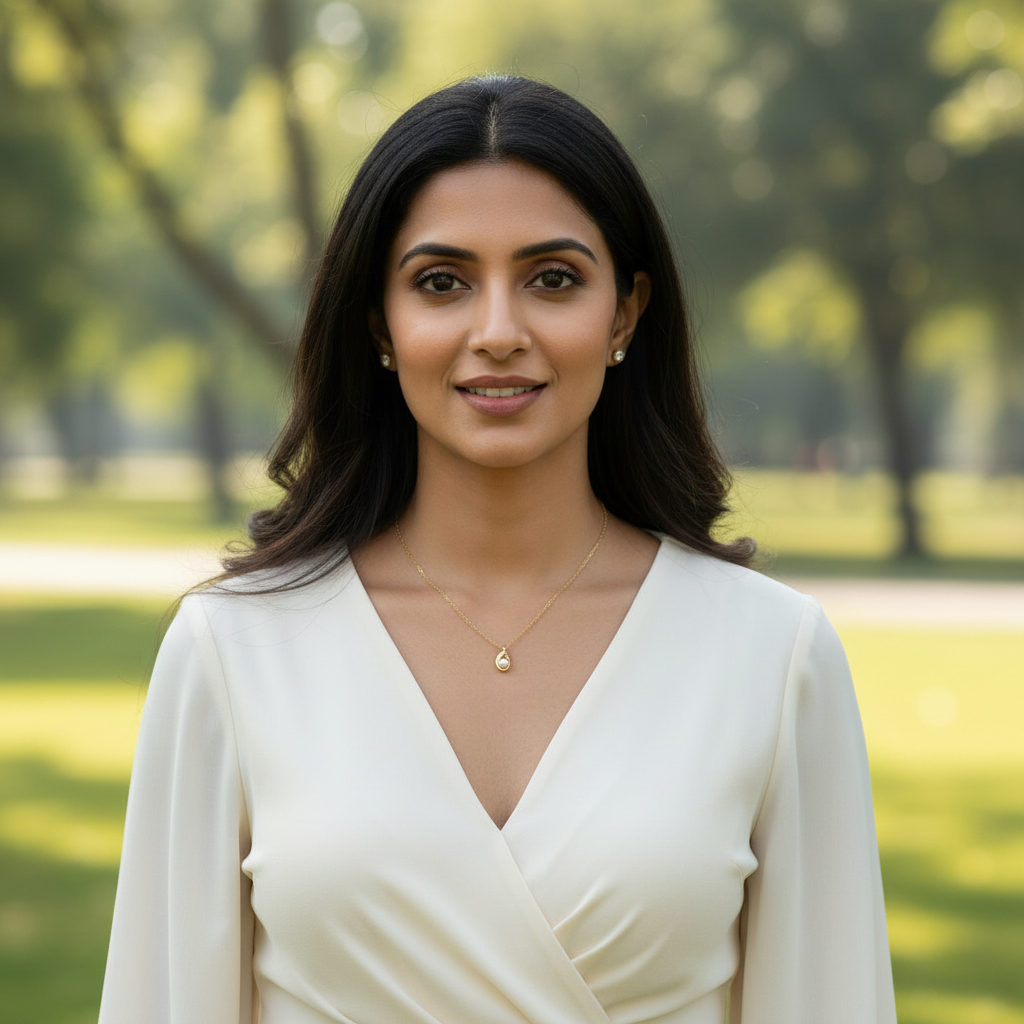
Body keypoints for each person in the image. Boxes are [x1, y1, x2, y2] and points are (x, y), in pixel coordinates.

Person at [98, 75, 897, 1023]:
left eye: (552, 279)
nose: (498, 333)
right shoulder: (232, 651)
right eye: (442, 283)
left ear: (627, 314)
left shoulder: (774, 656)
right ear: (378, 324)